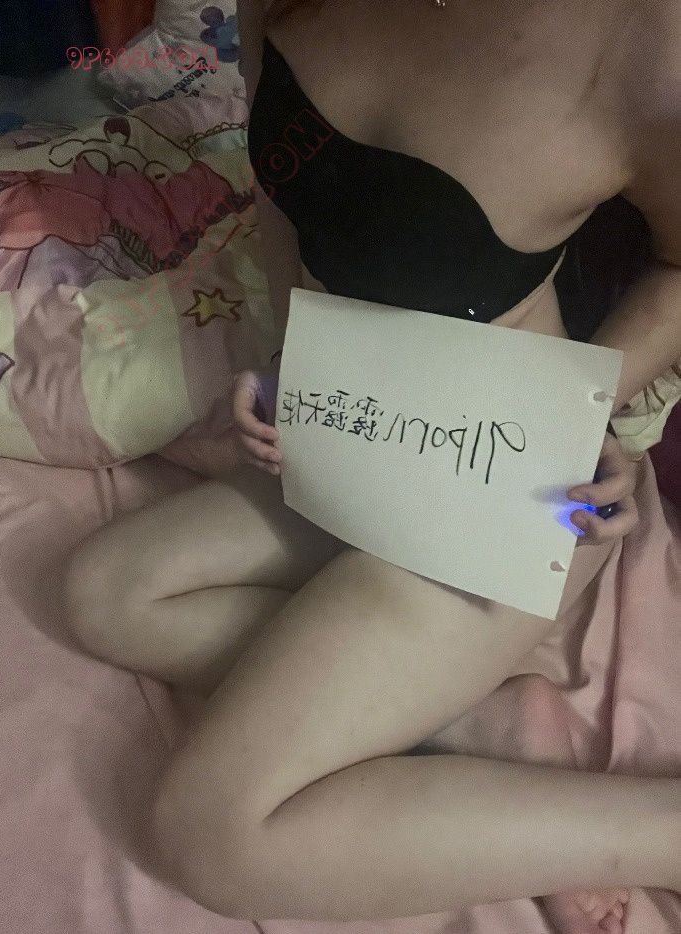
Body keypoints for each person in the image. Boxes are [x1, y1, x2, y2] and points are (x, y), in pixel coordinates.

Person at [60, 1, 681, 931]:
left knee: (206, 830)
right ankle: (470, 721)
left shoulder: (648, 45)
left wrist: (587, 409)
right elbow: (289, 201)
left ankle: (662, 830)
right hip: (359, 440)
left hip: (506, 492)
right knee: (105, 593)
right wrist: (294, 367)